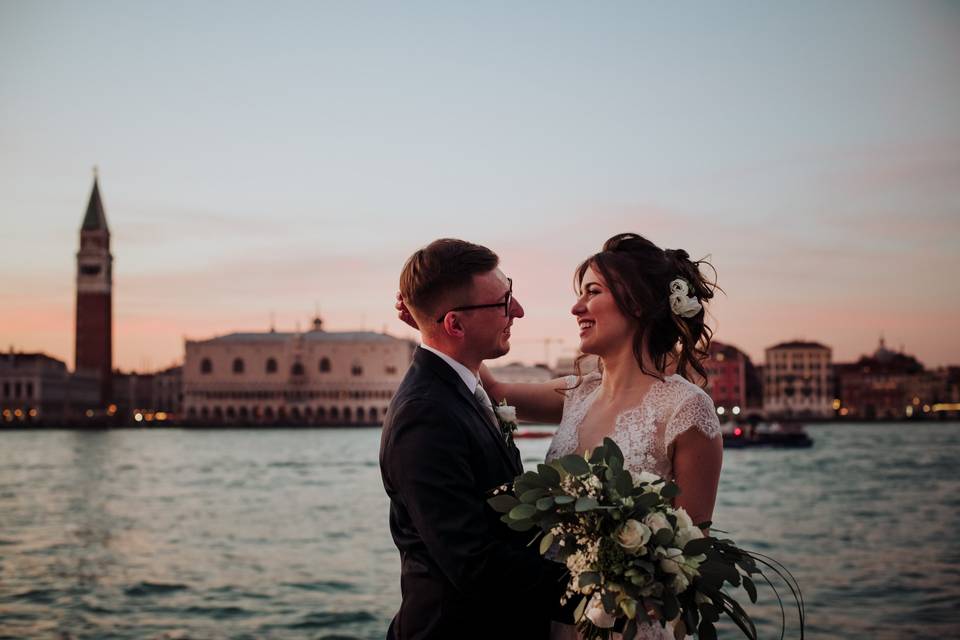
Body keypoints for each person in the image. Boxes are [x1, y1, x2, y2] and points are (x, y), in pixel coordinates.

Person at [476, 233, 724, 640]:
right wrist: (433, 317)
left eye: (592, 292)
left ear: (638, 302)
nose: (576, 308)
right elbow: (493, 388)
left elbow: (689, 563)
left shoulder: (686, 409)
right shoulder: (577, 394)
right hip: (557, 617)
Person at [379, 238, 573, 640]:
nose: (517, 311)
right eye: (503, 303)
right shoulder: (425, 415)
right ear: (455, 324)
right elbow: (473, 563)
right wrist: (600, 588)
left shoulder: (462, 386)